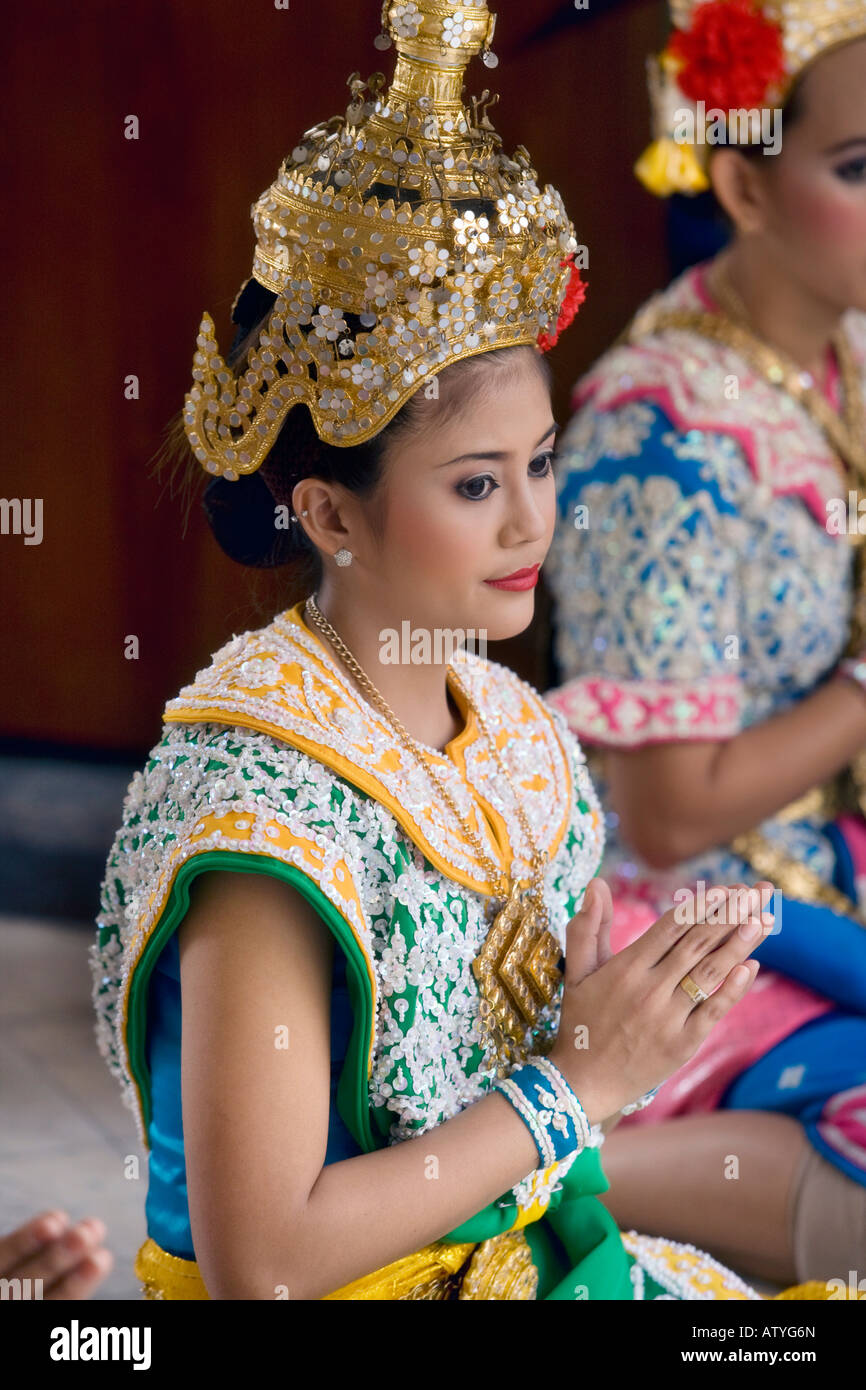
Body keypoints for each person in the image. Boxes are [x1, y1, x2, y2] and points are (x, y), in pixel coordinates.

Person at [91, 0, 808, 1302]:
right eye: (477, 485)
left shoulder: (503, 723)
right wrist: (570, 1083)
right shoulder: (266, 811)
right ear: (328, 512)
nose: (534, 516)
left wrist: (616, 1031)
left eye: (539, 463)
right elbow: (263, 1263)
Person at [544, 0, 866, 1289]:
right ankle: (536, 1174)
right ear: (741, 180)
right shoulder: (661, 438)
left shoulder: (840, 346)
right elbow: (669, 815)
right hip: (704, 911)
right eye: (860, 169)